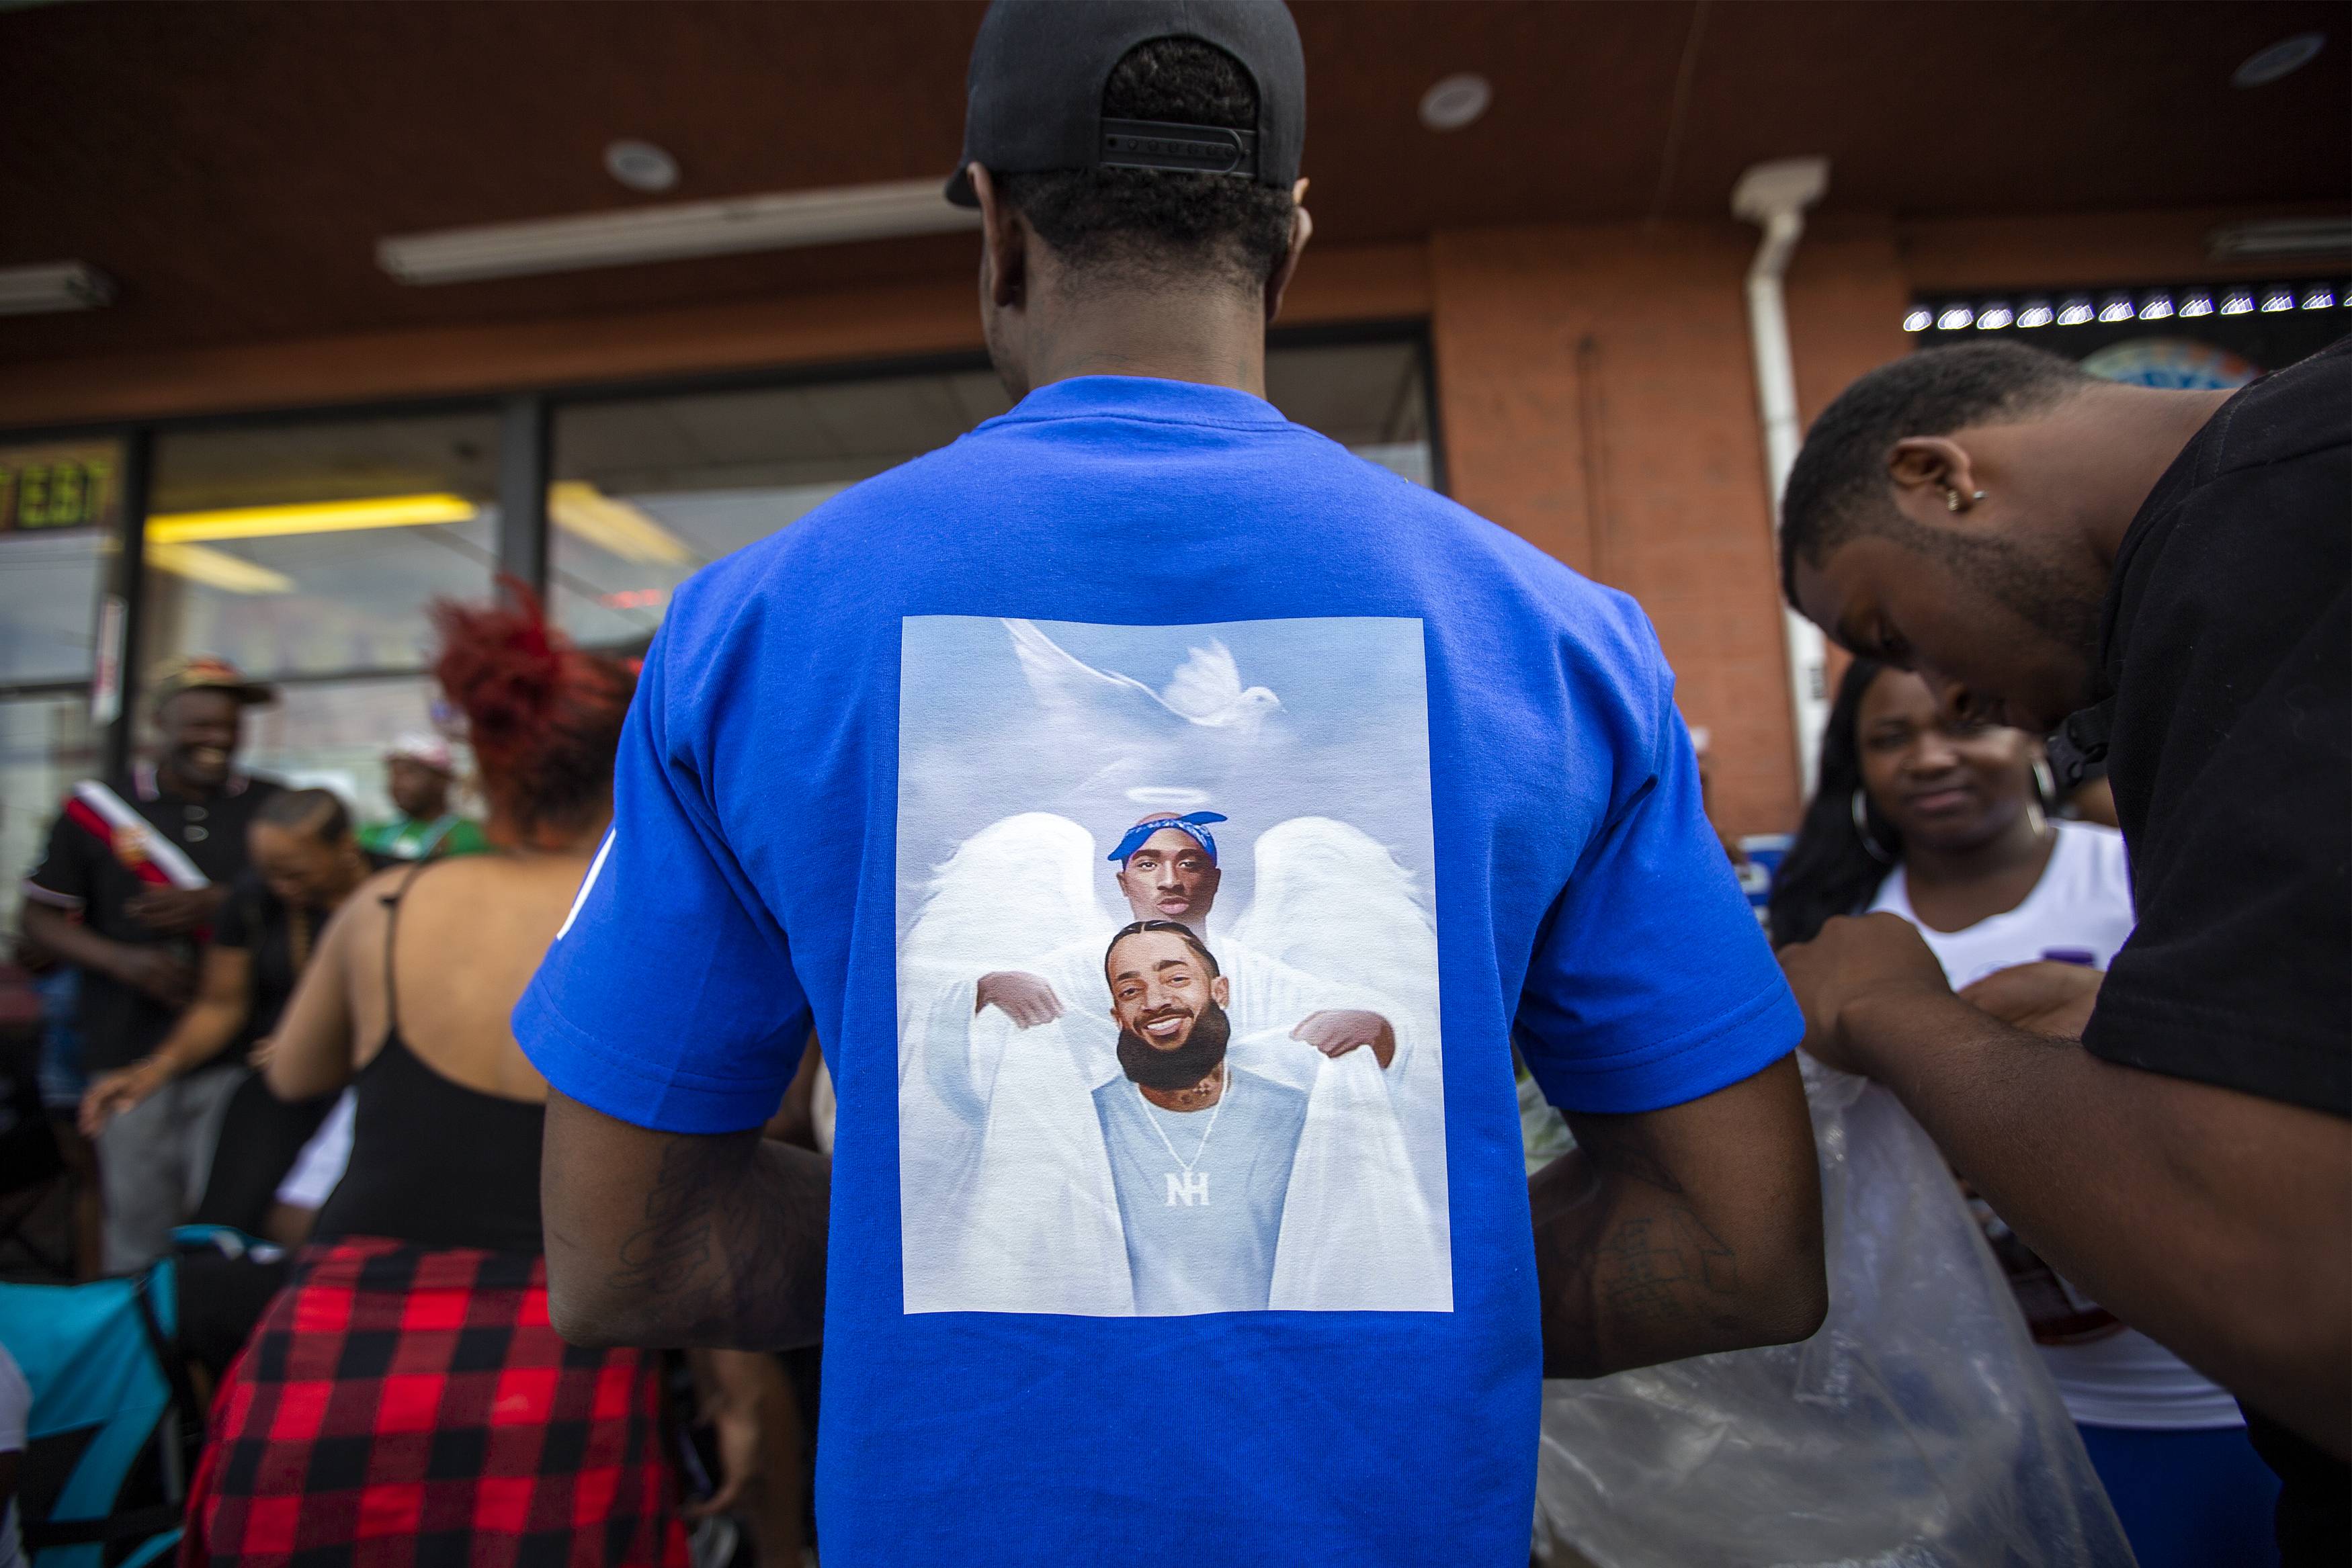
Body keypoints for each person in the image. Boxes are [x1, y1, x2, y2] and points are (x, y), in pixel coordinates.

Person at [516, 5, 1824, 1561]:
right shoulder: (1557, 641)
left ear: (998, 229)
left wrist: (968, 1237)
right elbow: (1738, 1246)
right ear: (1293, 237)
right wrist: (1357, 1249)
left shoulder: (749, 632)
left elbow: (624, 1248)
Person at [1773, 338, 2349, 1559]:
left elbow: (2302, 1280)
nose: (1951, 699)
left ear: (1941, 477)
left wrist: (1897, 1011)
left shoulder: (2269, 536)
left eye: (1895, 629)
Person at [179, 593, 690, 1567]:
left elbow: (294, 1073)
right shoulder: (652, 921)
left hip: (341, 1341)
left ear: (485, 770)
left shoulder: (387, 905)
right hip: (556, 1347)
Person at [1771, 657, 2281, 1566]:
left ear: (2030, 735)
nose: (1930, 758)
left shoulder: (2141, 874)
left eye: (1963, 724)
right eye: (1892, 737)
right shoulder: (1841, 932)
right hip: (1972, 1396)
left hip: (2197, 1384)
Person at [19, 655, 281, 1272]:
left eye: (228, 726)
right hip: (124, 1047)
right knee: (137, 1228)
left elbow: (317, 897)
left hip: (242, 1052)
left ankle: (213, 1363)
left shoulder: (272, 806)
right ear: (162, 721)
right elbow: (38, 918)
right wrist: (122, 961)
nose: (216, 739)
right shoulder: (100, 809)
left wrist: (220, 899)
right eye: (200, 724)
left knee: (226, 1226)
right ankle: (144, 1360)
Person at [78, 788, 373, 1233]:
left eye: (294, 873)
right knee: (230, 1215)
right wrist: (152, 1071)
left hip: (375, 1085)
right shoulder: (255, 900)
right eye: (268, 872)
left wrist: (319, 1042)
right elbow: (221, 1004)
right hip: (283, 1081)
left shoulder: (406, 889)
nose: (280, 886)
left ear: (345, 847)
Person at [357, 733, 487, 861]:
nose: (398, 784)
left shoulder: (474, 837)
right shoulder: (371, 836)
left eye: (409, 772)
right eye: (394, 774)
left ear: (442, 779)